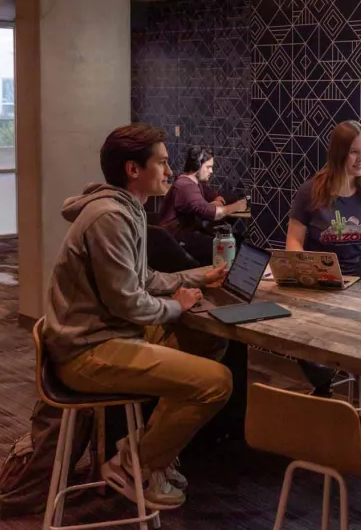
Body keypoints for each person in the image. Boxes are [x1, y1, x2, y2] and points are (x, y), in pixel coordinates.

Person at [43, 124, 233, 511]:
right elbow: (128, 302)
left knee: (210, 338)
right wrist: (177, 306)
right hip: (88, 352)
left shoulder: (125, 210)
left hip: (109, 337)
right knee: (217, 383)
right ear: (134, 169)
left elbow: (142, 279)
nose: (168, 171)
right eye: (161, 163)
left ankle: (145, 452)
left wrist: (199, 276)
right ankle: (135, 465)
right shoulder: (109, 218)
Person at [285, 120, 361, 408]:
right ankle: (323, 379)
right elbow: (293, 241)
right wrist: (301, 270)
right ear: (338, 154)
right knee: (296, 329)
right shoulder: (312, 190)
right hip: (323, 282)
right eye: (354, 153)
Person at [158, 146, 248, 265]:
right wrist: (238, 206)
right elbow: (215, 214)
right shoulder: (185, 186)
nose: (211, 171)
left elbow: (216, 197)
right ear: (197, 165)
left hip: (188, 236)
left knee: (238, 240)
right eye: (208, 167)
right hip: (176, 242)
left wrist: (219, 202)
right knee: (230, 248)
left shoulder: (194, 183)